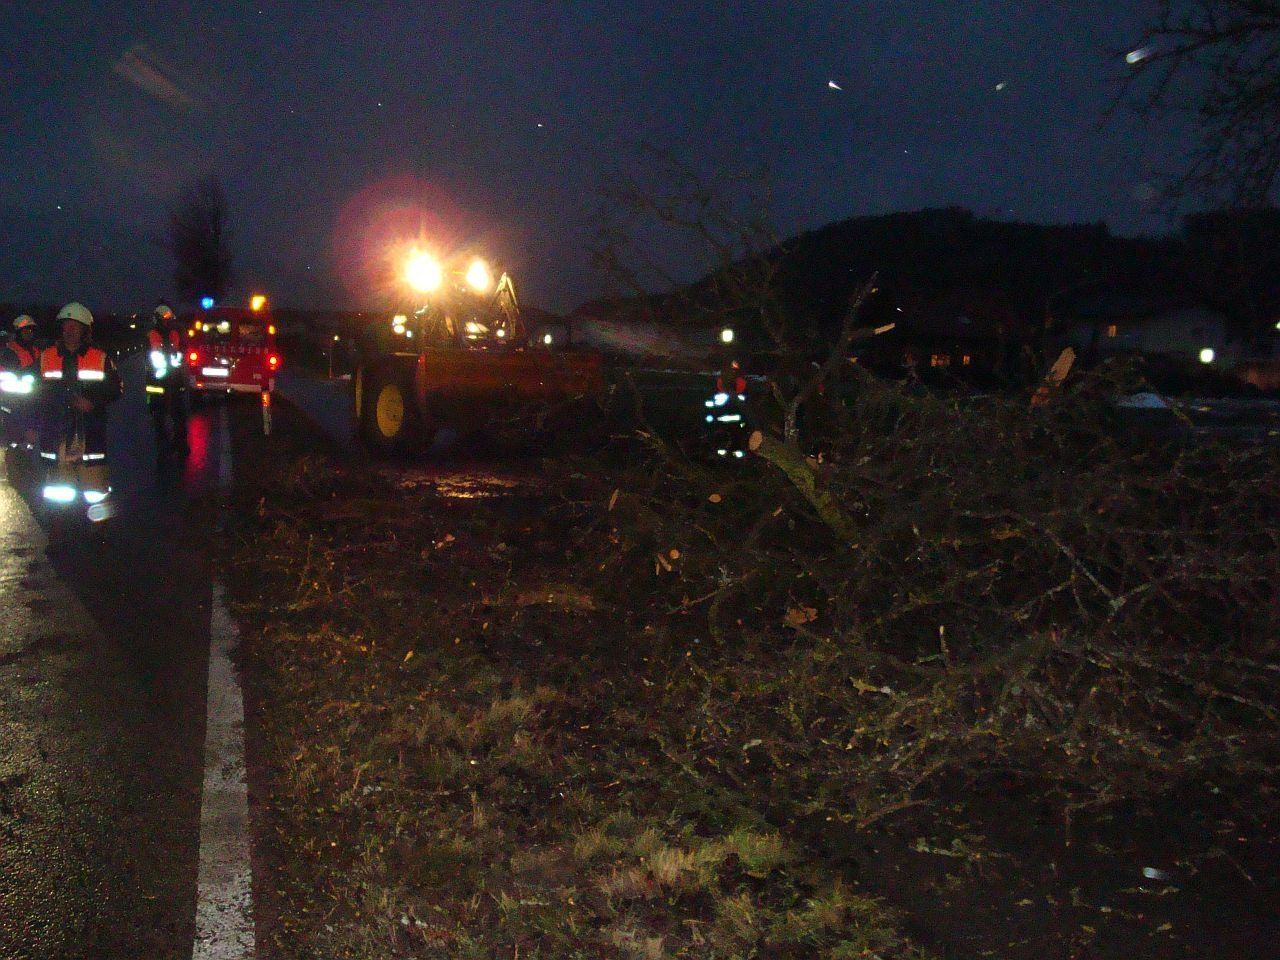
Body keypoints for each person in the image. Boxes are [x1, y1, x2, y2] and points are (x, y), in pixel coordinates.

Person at [37, 302, 121, 509]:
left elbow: (116, 387)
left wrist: (92, 402)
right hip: (56, 438)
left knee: (96, 496)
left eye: (76, 326)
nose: (70, 330)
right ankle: (61, 525)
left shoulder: (100, 357)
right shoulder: (46, 357)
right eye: (66, 325)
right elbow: (32, 393)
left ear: (85, 330)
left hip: (91, 438)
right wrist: (29, 425)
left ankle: (97, 527)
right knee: (59, 498)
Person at [146, 302, 188, 452]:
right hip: (159, 383)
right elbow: (152, 358)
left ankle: (179, 444)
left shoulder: (173, 335)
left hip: (172, 381)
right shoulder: (153, 335)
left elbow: (180, 354)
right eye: (165, 320)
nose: (167, 323)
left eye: (168, 320)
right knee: (161, 417)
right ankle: (165, 446)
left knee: (177, 415)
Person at [1, 315, 42, 460]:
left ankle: (28, 459)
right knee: (15, 439)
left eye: (31, 331)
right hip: (14, 403)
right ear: (18, 332)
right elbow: (9, 376)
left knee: (32, 438)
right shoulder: (9, 352)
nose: (29, 334)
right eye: (25, 331)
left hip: (34, 401)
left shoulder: (36, 351)